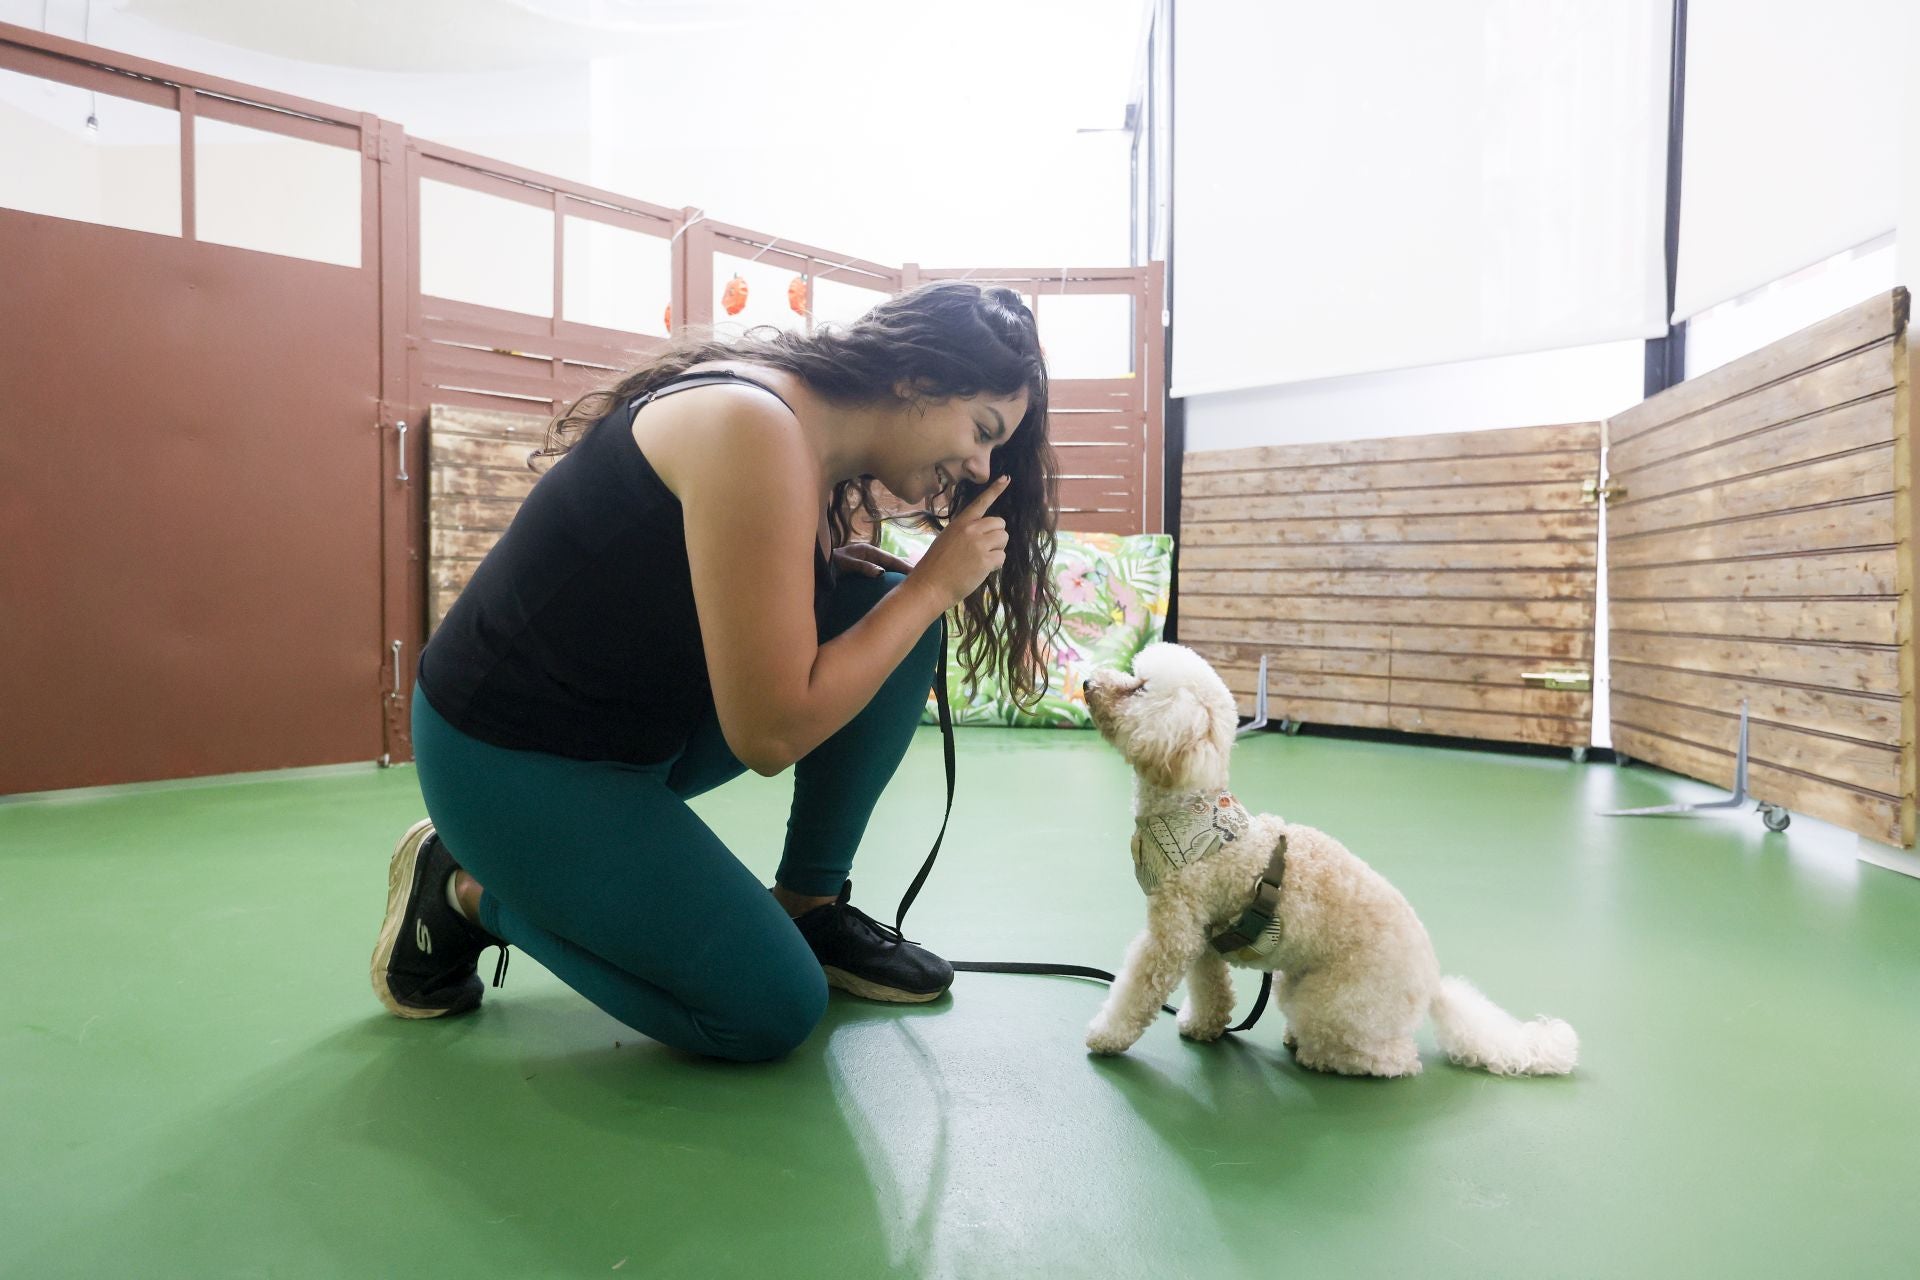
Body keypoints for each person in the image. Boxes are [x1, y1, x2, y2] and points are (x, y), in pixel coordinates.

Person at [369, 282, 1057, 1062]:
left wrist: (854, 588)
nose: (978, 465)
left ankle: (809, 908)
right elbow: (768, 735)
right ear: (915, 379)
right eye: (983, 429)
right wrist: (934, 587)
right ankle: (466, 893)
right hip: (508, 763)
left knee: (887, 610)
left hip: (626, 739)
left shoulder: (797, 429)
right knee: (768, 1008)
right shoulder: (753, 424)